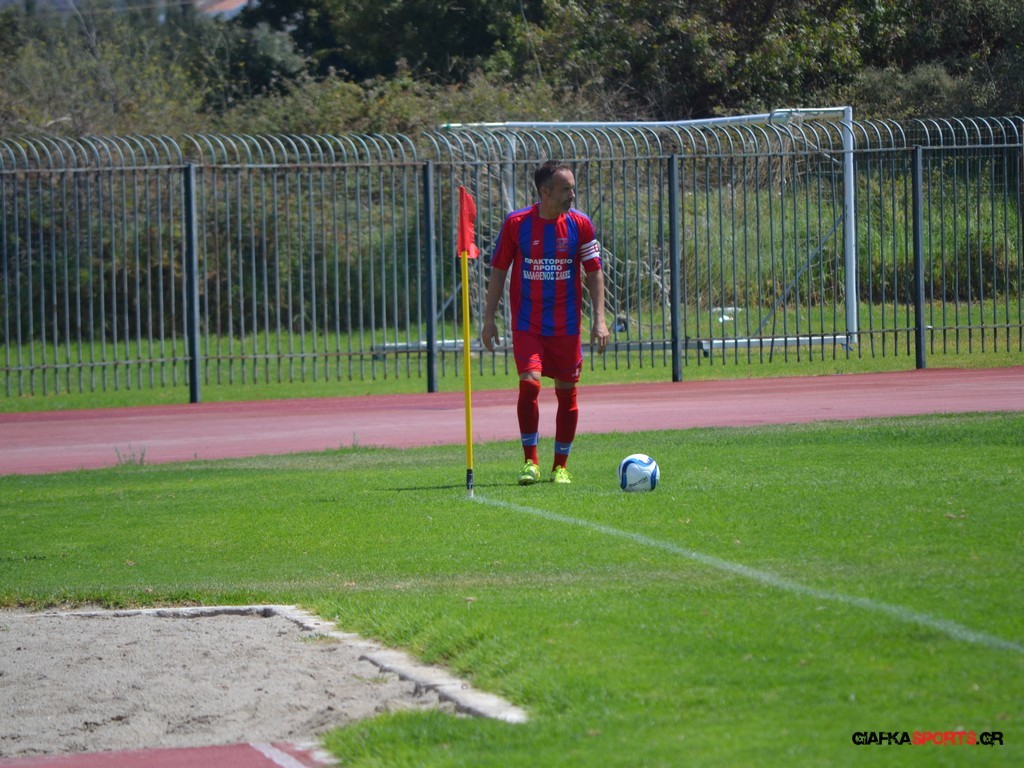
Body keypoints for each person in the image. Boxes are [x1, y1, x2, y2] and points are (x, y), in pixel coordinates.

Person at [481, 160, 609, 485]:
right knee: (530, 384)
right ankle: (531, 462)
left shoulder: (580, 224)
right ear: (545, 192)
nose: (572, 195)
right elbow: (499, 270)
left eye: (573, 188)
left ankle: (560, 466)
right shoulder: (517, 223)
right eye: (566, 189)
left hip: (566, 325)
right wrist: (488, 319)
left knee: (567, 392)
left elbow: (594, 273)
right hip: (528, 323)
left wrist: (600, 319)